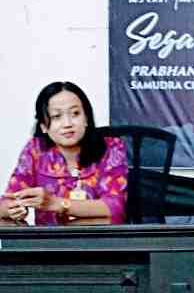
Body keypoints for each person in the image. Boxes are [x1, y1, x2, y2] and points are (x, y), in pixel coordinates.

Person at [0, 82, 128, 225]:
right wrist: (12, 209)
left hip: (97, 237)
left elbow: (115, 208)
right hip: (49, 239)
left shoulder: (111, 147)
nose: (67, 124)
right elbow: (6, 202)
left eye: (75, 114)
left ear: (86, 118)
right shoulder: (35, 149)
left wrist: (56, 204)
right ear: (43, 126)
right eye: (56, 116)